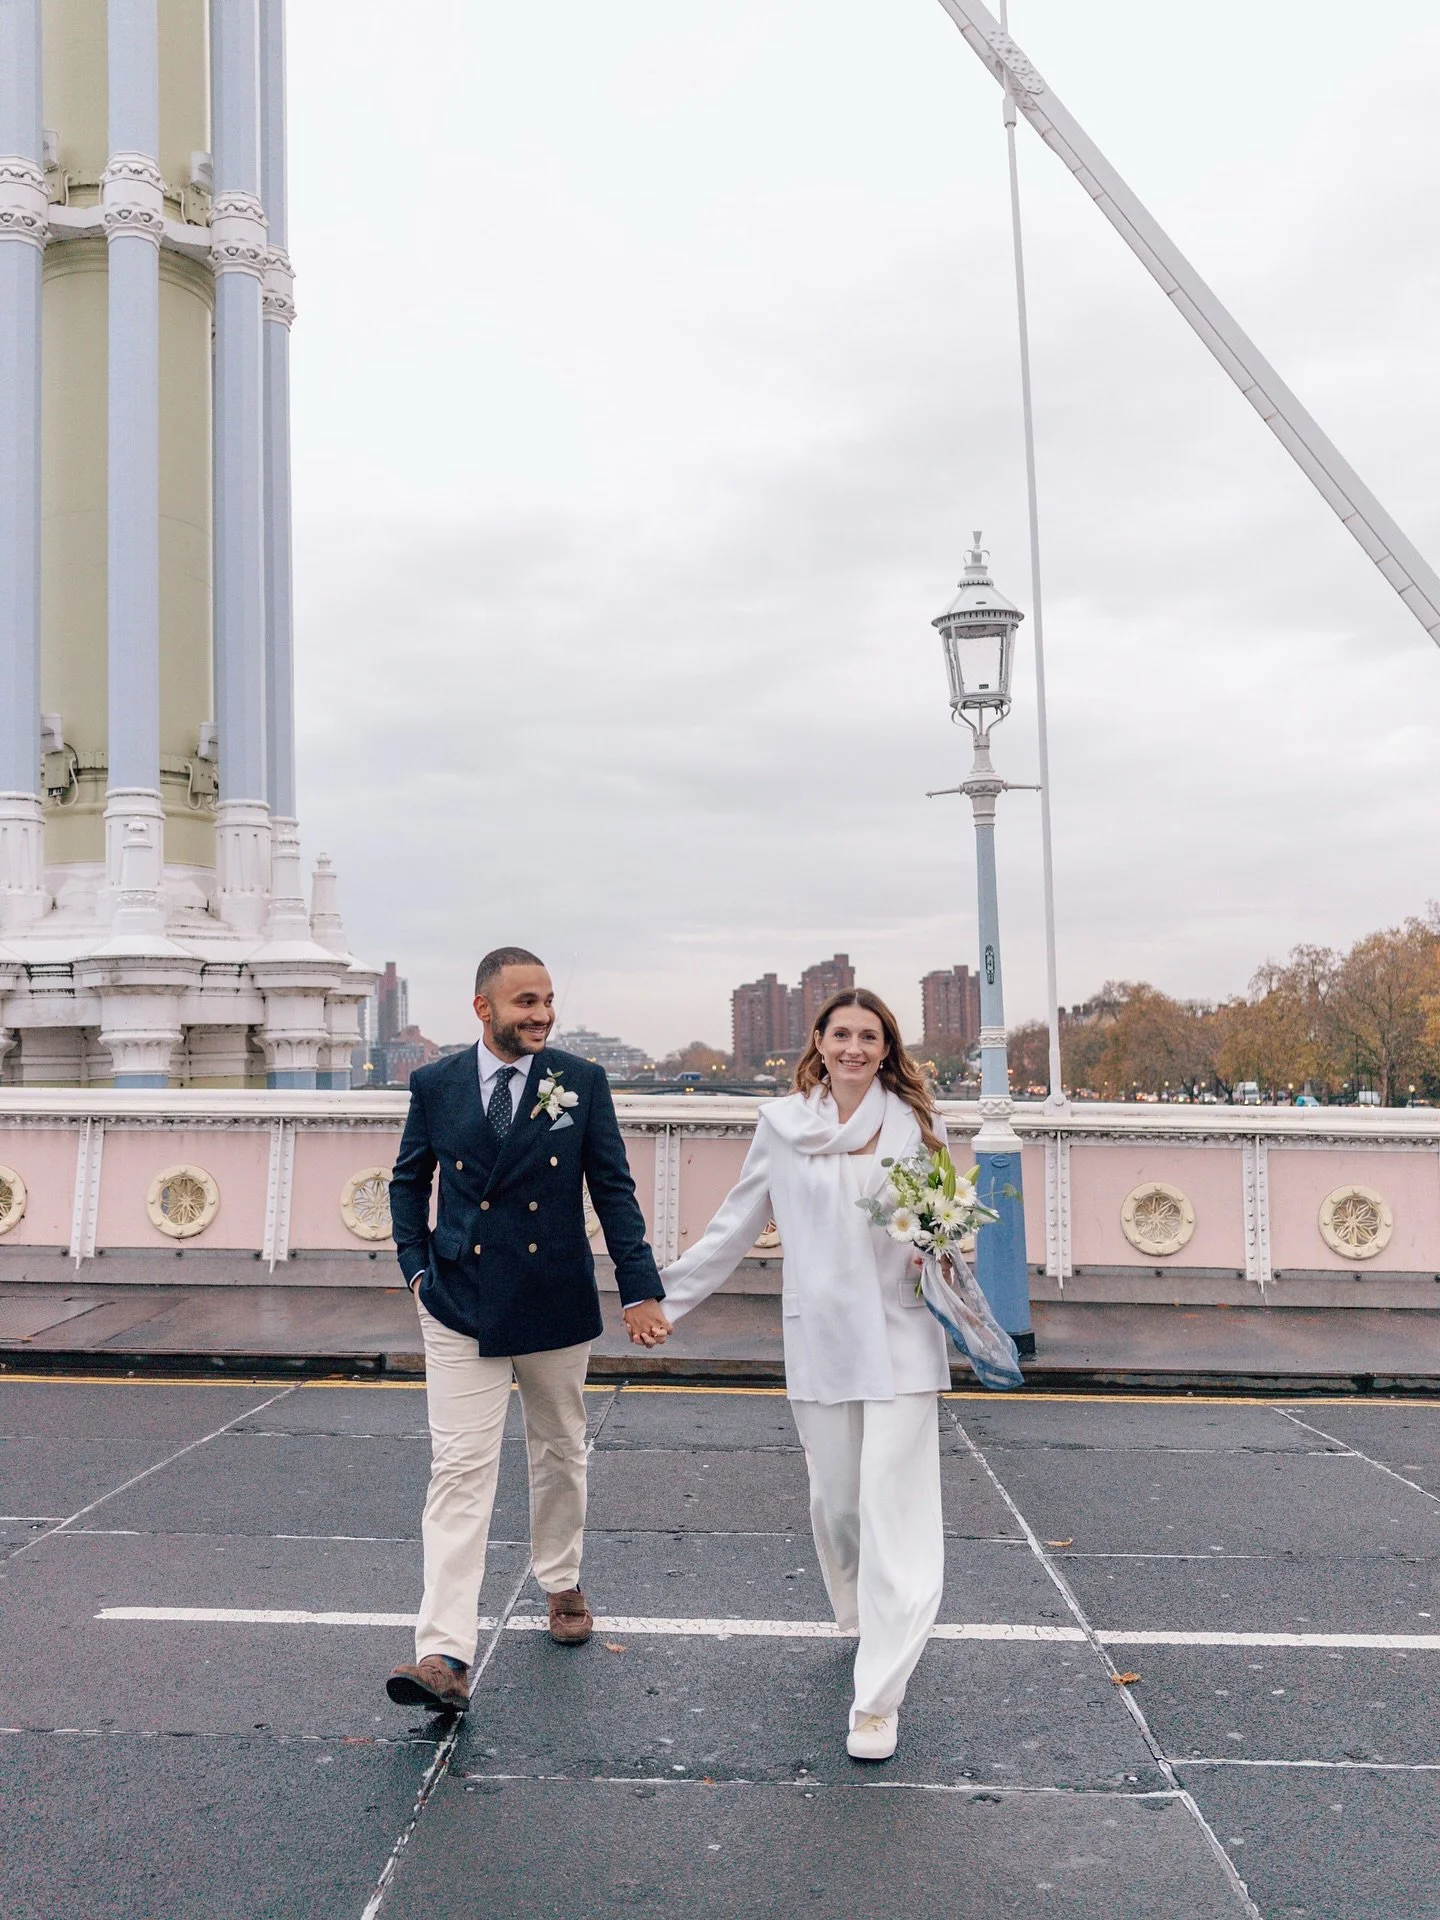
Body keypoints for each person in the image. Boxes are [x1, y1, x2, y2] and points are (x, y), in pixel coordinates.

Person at [647, 988, 953, 1762]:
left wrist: (937, 1243)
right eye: (842, 1033)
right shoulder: (781, 1127)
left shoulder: (918, 1125)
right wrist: (663, 1300)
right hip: (822, 1342)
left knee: (895, 1512)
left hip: (904, 1338)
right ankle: (856, 1611)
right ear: (818, 1040)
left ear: (888, 1050)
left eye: (870, 1036)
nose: (855, 1047)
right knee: (841, 1504)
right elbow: (735, 1224)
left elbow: (946, 1221)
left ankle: (878, 1700)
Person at [384, 947, 671, 1714]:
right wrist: (417, 1272)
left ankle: (560, 1579)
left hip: (551, 1297)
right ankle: (442, 1651)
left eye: (546, 1001)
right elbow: (409, 1182)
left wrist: (640, 1289)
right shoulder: (436, 1084)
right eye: (525, 1003)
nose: (541, 1014)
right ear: (484, 1008)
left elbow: (612, 1188)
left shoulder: (581, 1080)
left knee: (558, 1449)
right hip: (458, 1301)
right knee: (460, 1470)